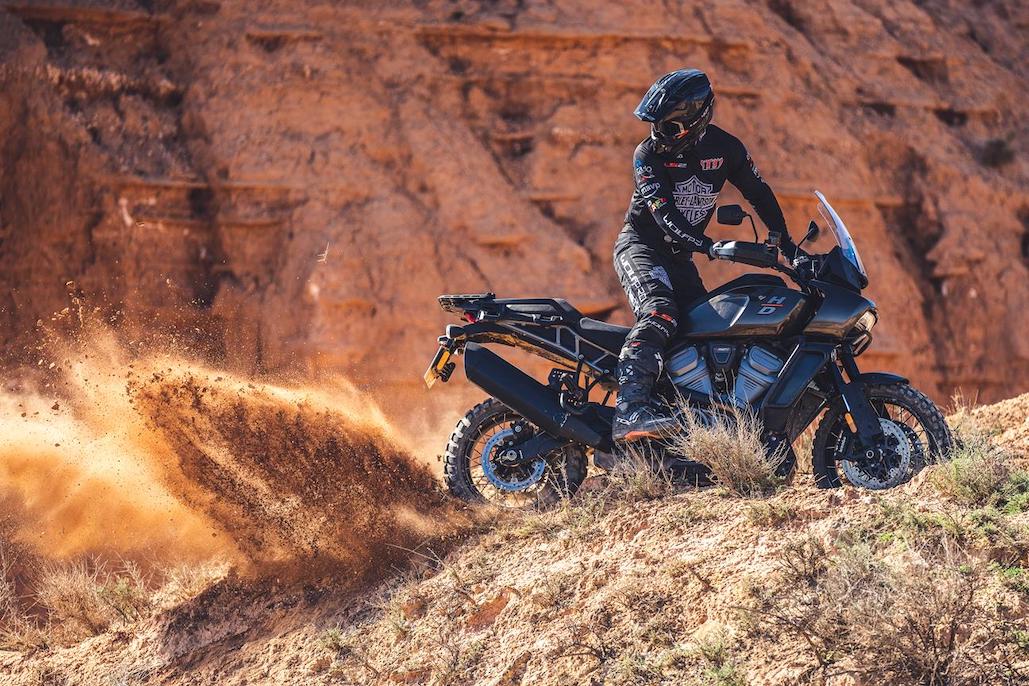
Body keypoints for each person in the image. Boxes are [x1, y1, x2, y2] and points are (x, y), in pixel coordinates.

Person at [612, 68, 804, 442]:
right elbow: (664, 216)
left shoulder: (726, 149)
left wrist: (788, 245)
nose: (657, 136)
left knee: (705, 334)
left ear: (697, 120)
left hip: (680, 258)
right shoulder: (646, 155)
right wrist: (708, 246)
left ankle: (686, 427)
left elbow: (759, 193)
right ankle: (629, 411)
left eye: (669, 127)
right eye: (654, 125)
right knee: (660, 311)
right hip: (641, 247)